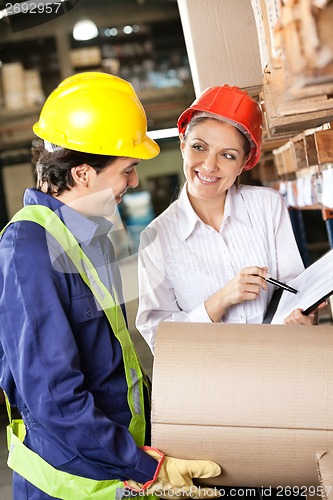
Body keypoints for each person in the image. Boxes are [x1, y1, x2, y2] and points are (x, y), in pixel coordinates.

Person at [0, 72, 221, 499]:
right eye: (128, 170)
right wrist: (146, 466)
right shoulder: (27, 250)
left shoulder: (90, 235)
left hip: (116, 467)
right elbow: (55, 400)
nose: (135, 182)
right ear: (83, 173)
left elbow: (116, 362)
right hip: (71, 483)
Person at [136, 84, 321, 354]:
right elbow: (158, 339)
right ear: (183, 145)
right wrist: (219, 301)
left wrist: (303, 314)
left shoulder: (267, 205)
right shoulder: (157, 238)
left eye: (227, 155)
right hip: (215, 378)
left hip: (281, 361)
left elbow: (296, 293)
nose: (210, 165)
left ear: (244, 162)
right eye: (199, 147)